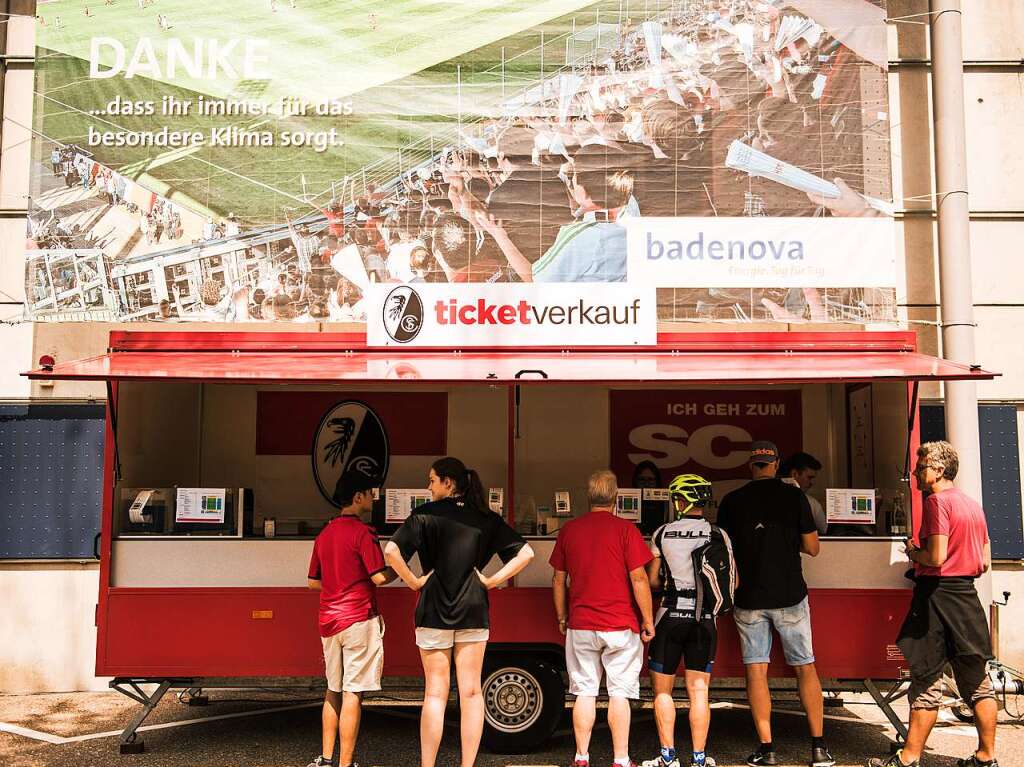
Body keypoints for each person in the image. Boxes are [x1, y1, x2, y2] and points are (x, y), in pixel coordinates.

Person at [384, 457, 534, 767]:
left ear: (448, 483)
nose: (428, 486)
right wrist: (491, 581)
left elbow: (391, 551)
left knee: (435, 695)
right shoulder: (485, 518)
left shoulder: (422, 516)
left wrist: (414, 582)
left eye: (432, 480)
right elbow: (527, 552)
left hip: (433, 612)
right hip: (473, 611)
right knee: (471, 693)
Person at [867, 441, 998, 767]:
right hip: (967, 598)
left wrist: (913, 552)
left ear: (939, 470)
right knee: (978, 682)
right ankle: (986, 757)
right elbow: (983, 562)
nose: (915, 472)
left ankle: (908, 759)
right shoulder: (972, 505)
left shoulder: (937, 503)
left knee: (927, 678)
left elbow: (936, 557)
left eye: (920, 466)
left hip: (936, 597)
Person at [716, 441, 834, 767]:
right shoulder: (795, 497)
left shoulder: (732, 501)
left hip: (749, 598)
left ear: (750, 465)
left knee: (756, 670)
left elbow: (723, 552)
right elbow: (813, 549)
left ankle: (767, 750)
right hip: (790, 595)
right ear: (777, 464)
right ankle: (819, 748)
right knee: (805, 667)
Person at [550, 469, 656, 767]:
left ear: (588, 497)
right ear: (617, 498)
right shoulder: (627, 531)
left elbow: (558, 580)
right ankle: (621, 760)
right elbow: (639, 580)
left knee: (584, 691)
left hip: (581, 624)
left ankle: (581, 757)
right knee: (619, 693)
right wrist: (647, 620)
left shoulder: (569, 530)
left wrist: (562, 616)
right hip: (621, 625)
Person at [643, 474, 735, 767]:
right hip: (704, 618)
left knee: (663, 692)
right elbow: (735, 579)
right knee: (699, 691)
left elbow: (652, 580)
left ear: (679, 500)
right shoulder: (719, 534)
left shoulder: (662, 532)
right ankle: (698, 758)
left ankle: (668, 757)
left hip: (669, 615)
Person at [306, 471, 396, 767]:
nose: (373, 498)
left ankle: (326, 758)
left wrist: (337, 585)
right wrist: (402, 570)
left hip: (329, 621)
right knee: (353, 692)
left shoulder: (325, 533)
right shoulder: (364, 533)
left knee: (333, 689)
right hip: (359, 619)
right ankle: (345, 764)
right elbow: (379, 577)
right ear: (358, 498)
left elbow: (313, 581)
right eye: (370, 494)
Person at [779, 452, 827, 535]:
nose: (812, 483)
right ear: (794, 474)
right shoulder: (812, 503)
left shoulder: (765, 497)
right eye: (809, 477)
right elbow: (825, 531)